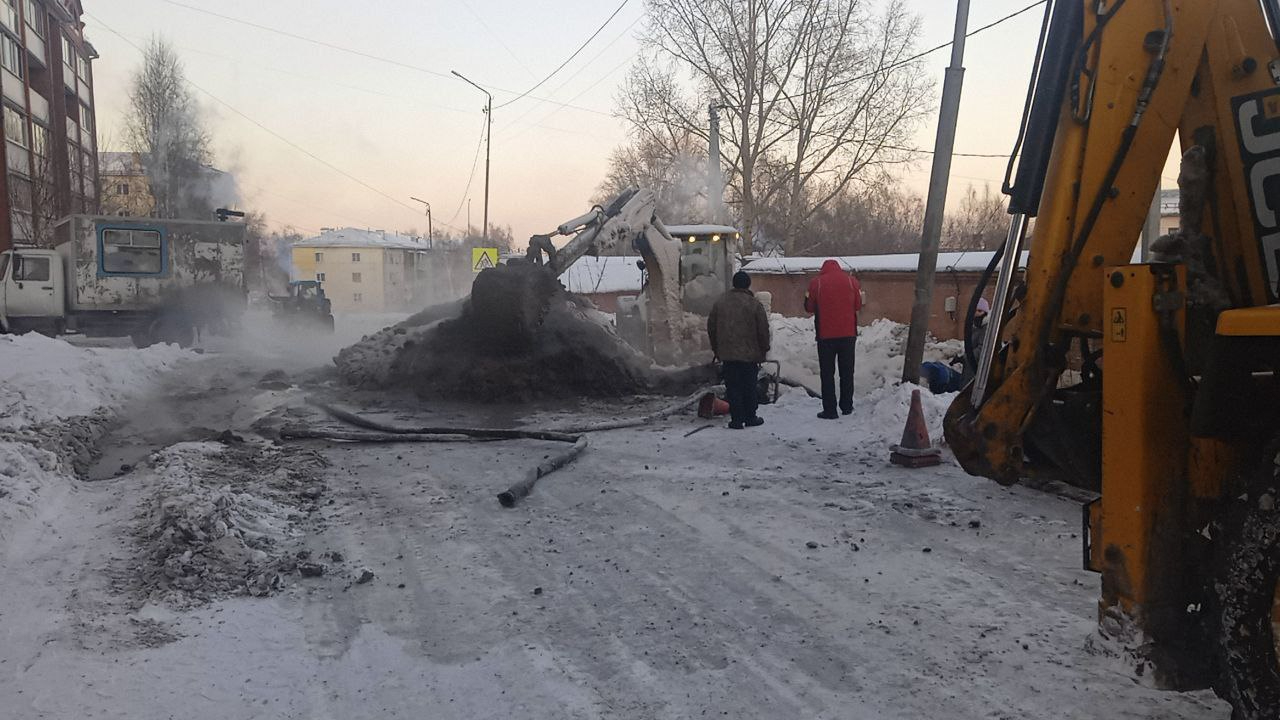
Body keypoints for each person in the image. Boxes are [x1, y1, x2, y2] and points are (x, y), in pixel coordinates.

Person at [708, 271, 771, 430]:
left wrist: (717, 349)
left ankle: (736, 419)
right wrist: (764, 349)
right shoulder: (754, 304)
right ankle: (750, 417)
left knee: (733, 387)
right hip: (750, 356)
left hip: (728, 355)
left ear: (734, 284)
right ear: (748, 284)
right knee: (749, 386)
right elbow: (763, 330)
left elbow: (711, 328)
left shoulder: (720, 303)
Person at [804, 259, 862, 419]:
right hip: (848, 335)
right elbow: (858, 305)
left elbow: (809, 307)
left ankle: (830, 410)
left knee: (827, 374)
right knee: (847, 372)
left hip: (826, 336)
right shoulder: (852, 282)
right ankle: (847, 406)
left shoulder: (816, 283)